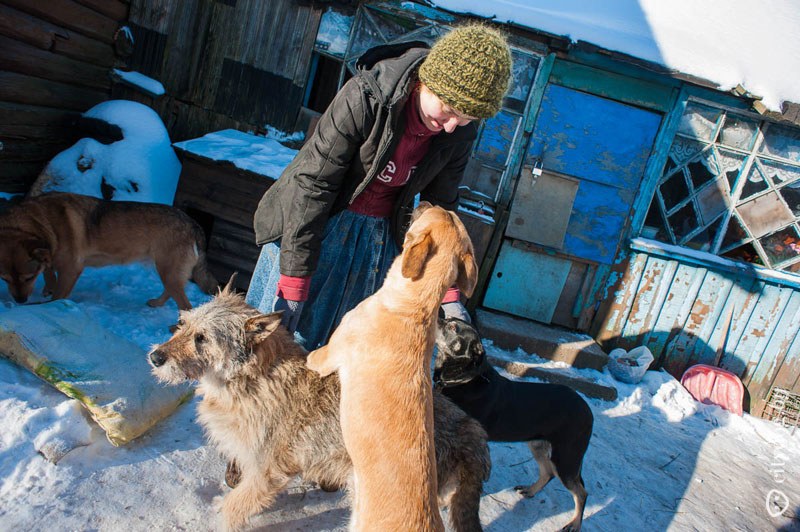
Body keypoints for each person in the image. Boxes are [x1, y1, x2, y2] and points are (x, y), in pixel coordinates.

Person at [246, 24, 513, 350]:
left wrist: (450, 291)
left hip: (378, 239)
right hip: (316, 226)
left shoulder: (457, 135)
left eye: (467, 118)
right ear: (428, 81)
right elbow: (313, 186)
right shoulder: (367, 98)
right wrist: (294, 280)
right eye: (449, 109)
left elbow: (441, 209)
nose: (452, 125)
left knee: (349, 350)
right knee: (279, 346)